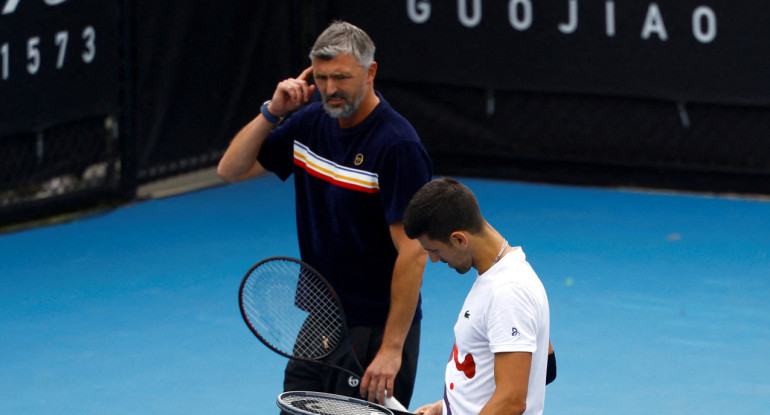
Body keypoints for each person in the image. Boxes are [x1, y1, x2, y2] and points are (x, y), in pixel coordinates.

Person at [217, 21, 432, 408]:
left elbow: (413, 252)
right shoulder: (309, 123)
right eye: (322, 77)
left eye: (342, 77)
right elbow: (231, 170)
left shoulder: (397, 146)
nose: (331, 89)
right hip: (321, 320)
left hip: (375, 328)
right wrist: (272, 111)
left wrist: (391, 349)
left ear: (370, 72)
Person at [403, 177, 553, 415]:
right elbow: (546, 366)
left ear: (459, 239)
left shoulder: (508, 291)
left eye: (435, 250)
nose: (433, 260)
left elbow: (511, 400)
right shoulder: (498, 276)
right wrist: (448, 406)